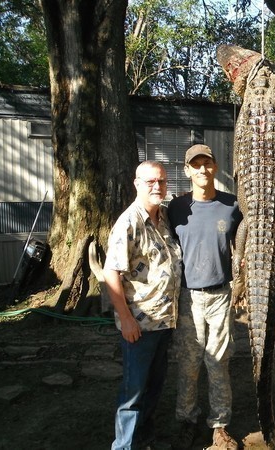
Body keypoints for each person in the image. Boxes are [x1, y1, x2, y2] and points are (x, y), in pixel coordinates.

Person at [104, 160, 183, 450]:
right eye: (150, 181)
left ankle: (144, 441)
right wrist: (125, 318)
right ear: (136, 184)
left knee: (153, 388)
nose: (157, 186)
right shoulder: (129, 222)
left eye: (161, 181)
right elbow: (111, 272)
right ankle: (124, 446)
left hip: (164, 322)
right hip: (140, 324)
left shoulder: (162, 217)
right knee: (133, 393)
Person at [167, 144, 242, 450]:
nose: (201, 169)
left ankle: (220, 425)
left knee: (219, 362)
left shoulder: (232, 205)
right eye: (195, 165)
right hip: (188, 297)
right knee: (189, 364)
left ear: (214, 167)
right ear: (187, 170)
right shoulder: (175, 208)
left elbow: (245, 245)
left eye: (206, 164)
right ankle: (187, 419)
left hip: (221, 294)